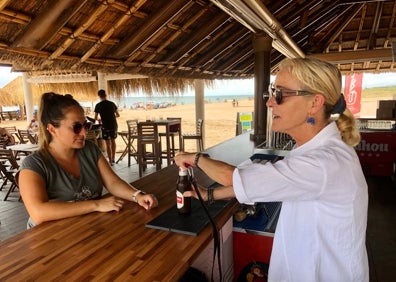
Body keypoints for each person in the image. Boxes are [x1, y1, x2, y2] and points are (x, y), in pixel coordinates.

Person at [175, 58, 369, 281]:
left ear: (314, 103)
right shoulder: (316, 150)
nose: (270, 103)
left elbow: (233, 177)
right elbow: (264, 182)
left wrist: (193, 157)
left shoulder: (323, 163)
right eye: (272, 92)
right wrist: (210, 193)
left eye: (281, 94)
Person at [18, 93, 158, 228]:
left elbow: (112, 182)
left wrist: (137, 195)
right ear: (52, 129)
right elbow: (38, 212)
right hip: (49, 239)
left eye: (86, 125)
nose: (84, 132)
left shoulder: (89, 150)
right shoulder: (34, 164)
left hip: (85, 229)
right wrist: (96, 205)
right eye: (77, 127)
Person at [94, 89, 120, 164]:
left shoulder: (98, 105)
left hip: (105, 126)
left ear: (99, 96)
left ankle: (110, 161)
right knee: (113, 141)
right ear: (106, 95)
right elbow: (118, 115)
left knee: (107, 143)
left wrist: (100, 119)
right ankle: (113, 158)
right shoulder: (112, 104)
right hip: (113, 125)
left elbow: (95, 118)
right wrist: (111, 116)